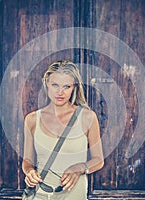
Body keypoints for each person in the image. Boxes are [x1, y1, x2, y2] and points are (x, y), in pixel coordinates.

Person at [22, 60, 104, 200]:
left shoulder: (87, 118)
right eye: (55, 85)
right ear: (46, 83)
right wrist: (29, 172)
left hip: (74, 194)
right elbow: (27, 160)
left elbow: (98, 160)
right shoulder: (32, 119)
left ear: (74, 88)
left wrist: (78, 168)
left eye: (66, 86)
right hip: (42, 194)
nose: (60, 92)